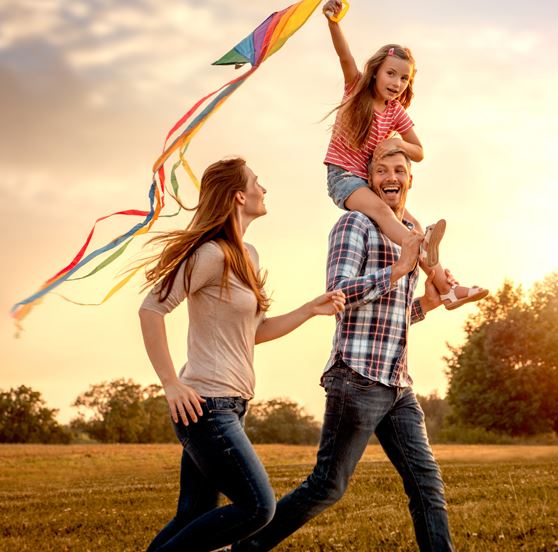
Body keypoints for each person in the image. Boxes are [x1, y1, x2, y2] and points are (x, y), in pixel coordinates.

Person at [232, 148, 454, 551]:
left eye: (399, 170)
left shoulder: (408, 232)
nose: (391, 175)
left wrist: (425, 305)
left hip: (397, 383)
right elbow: (339, 295)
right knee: (328, 486)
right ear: (367, 180)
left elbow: (391, 317)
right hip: (356, 379)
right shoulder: (354, 224)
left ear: (410, 179)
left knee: (427, 485)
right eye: (381, 169)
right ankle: (245, 547)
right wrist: (399, 269)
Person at [138, 157, 345, 552]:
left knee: (192, 516)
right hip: (206, 407)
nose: (263, 189)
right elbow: (152, 309)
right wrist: (171, 383)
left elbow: (254, 333)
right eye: (256, 182)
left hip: (231, 405)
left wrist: (309, 309)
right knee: (258, 508)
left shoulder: (247, 255)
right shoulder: (210, 254)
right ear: (238, 195)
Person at [321, 0, 487, 310]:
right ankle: (417, 245)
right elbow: (345, 55)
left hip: (368, 182)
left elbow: (419, 151)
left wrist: (398, 144)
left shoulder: (396, 112)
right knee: (387, 217)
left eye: (404, 79)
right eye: (391, 74)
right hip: (344, 178)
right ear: (375, 73)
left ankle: (447, 290)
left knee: (413, 223)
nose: (396, 83)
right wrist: (333, 22)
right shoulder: (357, 89)